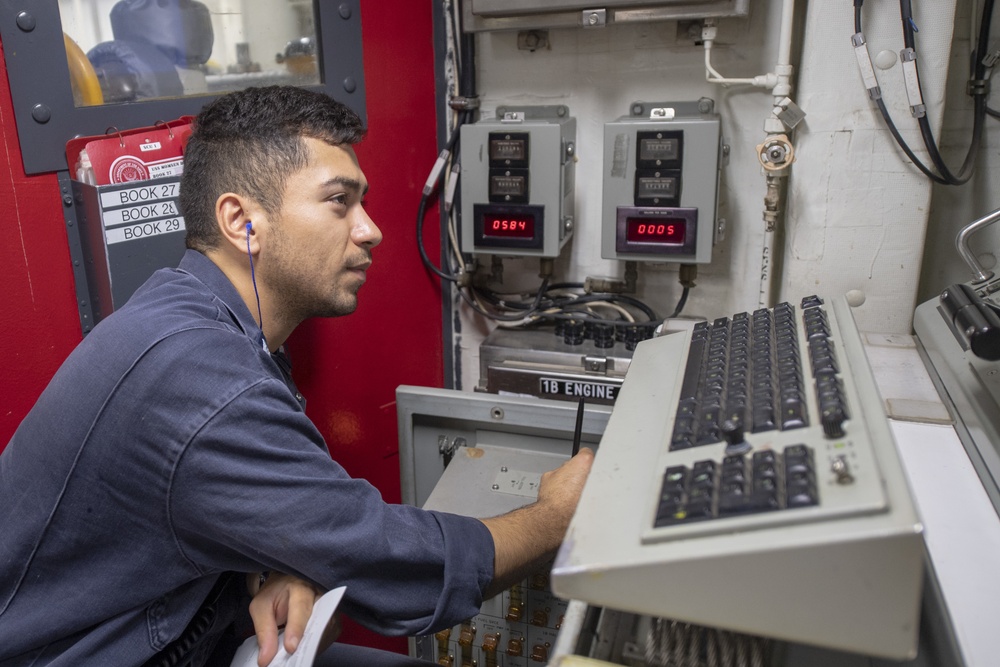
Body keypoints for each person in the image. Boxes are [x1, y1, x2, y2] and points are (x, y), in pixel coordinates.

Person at [0, 85, 594, 666]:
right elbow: (393, 564)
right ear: (241, 222)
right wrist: (555, 515)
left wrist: (282, 562)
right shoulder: (203, 382)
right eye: (339, 200)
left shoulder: (191, 316)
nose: (371, 229)